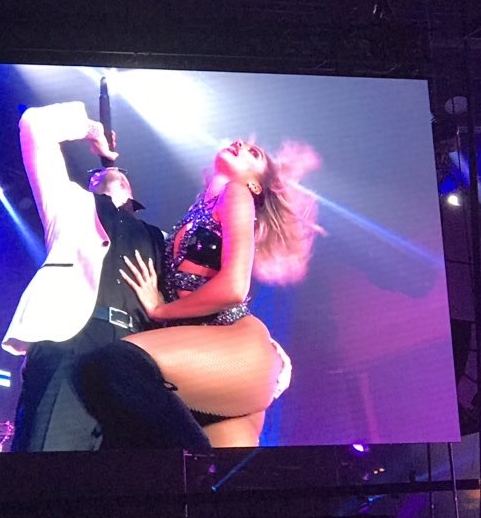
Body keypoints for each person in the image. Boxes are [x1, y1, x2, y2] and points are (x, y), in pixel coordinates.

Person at [75, 138, 321, 448]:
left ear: (256, 186)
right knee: (210, 475)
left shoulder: (237, 192)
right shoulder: (200, 206)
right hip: (206, 361)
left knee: (115, 364)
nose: (241, 144)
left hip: (234, 347)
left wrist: (160, 309)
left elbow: (234, 288)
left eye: (254, 153)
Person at [1, 101, 211, 452]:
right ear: (90, 183)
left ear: (133, 192)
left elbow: (200, 296)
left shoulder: (161, 238)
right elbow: (35, 124)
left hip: (135, 354)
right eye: (98, 175)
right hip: (71, 341)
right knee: (48, 455)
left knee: (153, 463)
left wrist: (162, 305)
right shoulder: (69, 207)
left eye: (122, 174)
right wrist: (91, 130)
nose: (113, 172)